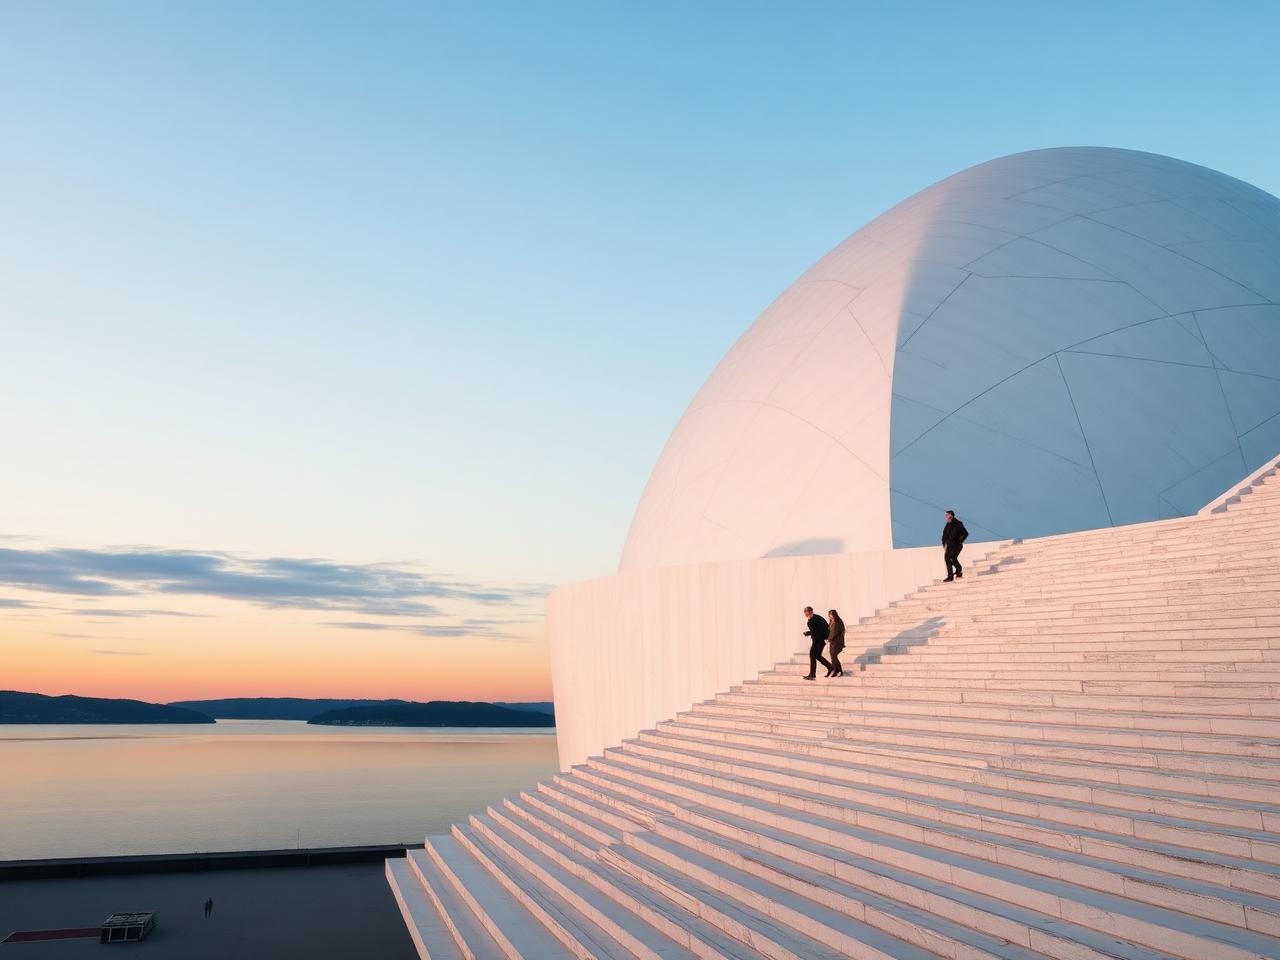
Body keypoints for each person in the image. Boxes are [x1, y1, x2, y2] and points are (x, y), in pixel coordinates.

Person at [802, 606, 831, 680]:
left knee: (812, 655)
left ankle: (812, 675)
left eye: (806, 611)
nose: (805, 613)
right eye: (804, 611)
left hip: (819, 641)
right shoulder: (813, 618)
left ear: (811, 611)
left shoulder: (814, 619)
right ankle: (830, 667)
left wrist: (811, 634)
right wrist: (809, 633)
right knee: (817, 656)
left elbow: (821, 629)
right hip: (818, 640)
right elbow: (817, 630)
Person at [942, 510, 968, 582]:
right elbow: (944, 536)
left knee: (950, 558)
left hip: (956, 545)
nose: (945, 517)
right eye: (945, 515)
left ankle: (951, 576)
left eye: (947, 515)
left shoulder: (958, 523)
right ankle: (958, 571)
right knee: (950, 559)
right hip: (949, 546)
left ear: (951, 515)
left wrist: (959, 541)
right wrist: (944, 544)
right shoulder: (947, 525)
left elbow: (965, 533)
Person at [826, 609, 845, 677]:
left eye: (831, 615)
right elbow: (829, 631)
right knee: (833, 657)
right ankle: (837, 670)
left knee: (834, 657)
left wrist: (829, 638)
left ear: (834, 615)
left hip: (837, 642)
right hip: (832, 642)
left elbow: (834, 633)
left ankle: (837, 671)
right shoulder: (831, 622)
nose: (830, 616)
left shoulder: (837, 622)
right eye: (829, 615)